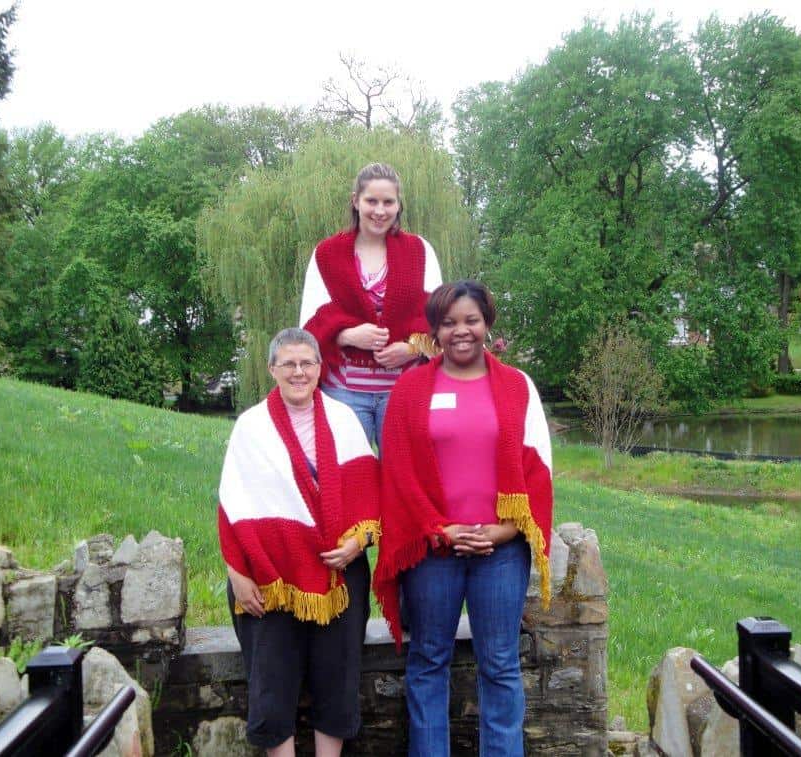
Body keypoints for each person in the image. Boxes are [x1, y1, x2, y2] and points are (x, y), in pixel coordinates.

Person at [372, 280, 554, 757]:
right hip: (433, 549)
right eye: (449, 322)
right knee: (429, 660)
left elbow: (538, 469)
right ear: (434, 329)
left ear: (487, 324)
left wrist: (505, 529)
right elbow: (398, 471)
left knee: (499, 664)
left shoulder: (517, 386)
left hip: (500, 551)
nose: (461, 331)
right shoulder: (411, 389)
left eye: (471, 320)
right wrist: (439, 529)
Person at [217, 327, 380, 757]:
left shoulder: (344, 421)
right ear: (272, 369)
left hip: (339, 576)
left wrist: (359, 542)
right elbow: (232, 507)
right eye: (288, 363)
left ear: (320, 368)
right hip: (270, 576)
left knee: (337, 677)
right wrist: (237, 575)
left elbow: (370, 495)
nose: (298, 371)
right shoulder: (251, 428)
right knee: (272, 679)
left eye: (307, 362)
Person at [299, 162, 442, 448]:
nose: (380, 210)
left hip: (404, 390)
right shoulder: (327, 253)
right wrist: (347, 335)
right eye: (371, 201)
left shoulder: (419, 250)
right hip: (344, 393)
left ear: (398, 205)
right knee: (351, 478)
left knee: (402, 479)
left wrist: (412, 348)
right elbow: (307, 326)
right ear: (355, 201)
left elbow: (443, 322)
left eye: (388, 202)